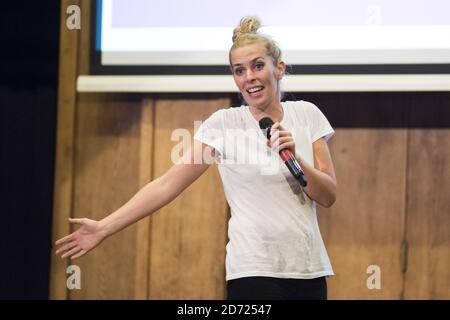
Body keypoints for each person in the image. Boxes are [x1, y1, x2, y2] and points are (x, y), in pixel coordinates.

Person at [55, 16, 337, 300]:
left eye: (258, 66)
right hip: (253, 270)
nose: (249, 77)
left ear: (279, 68)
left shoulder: (307, 115)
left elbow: (327, 195)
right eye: (239, 70)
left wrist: (297, 159)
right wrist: (104, 227)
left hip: (309, 271)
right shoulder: (223, 125)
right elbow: (167, 185)